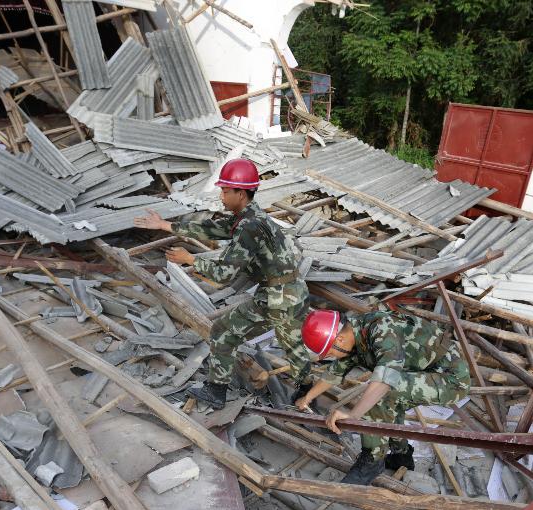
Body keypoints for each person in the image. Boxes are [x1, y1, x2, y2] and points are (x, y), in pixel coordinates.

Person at [133, 158, 311, 409]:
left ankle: (217, 391)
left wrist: (191, 260)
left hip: (277, 297)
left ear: (241, 193)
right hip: (293, 291)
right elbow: (213, 229)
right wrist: (166, 225)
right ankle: (307, 388)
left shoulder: (249, 226)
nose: (221, 196)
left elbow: (224, 275)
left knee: (222, 332)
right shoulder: (250, 216)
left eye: (226, 191)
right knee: (292, 344)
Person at [296, 309, 471, 485]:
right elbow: (335, 372)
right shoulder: (353, 335)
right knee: (392, 400)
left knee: (383, 393)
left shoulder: (381, 329)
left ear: (339, 339)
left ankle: (372, 462)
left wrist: (353, 415)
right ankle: (401, 455)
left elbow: (386, 380)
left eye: (330, 353)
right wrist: (308, 397)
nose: (330, 357)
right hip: (425, 371)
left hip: (451, 379)